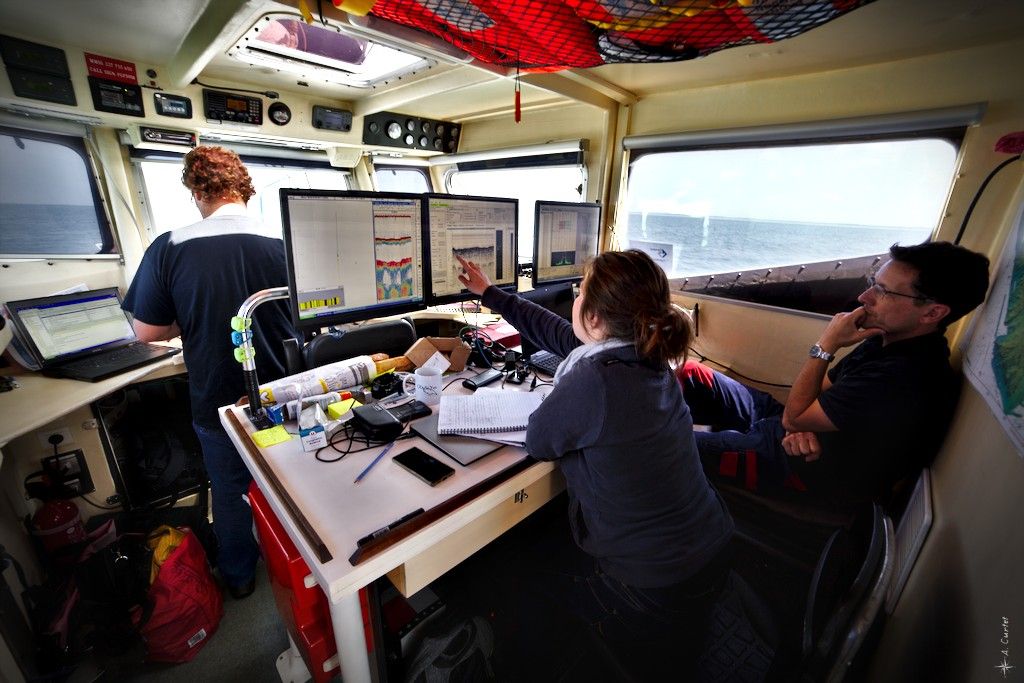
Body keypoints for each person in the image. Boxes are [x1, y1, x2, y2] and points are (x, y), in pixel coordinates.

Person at [456, 250, 734, 678]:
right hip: (710, 558)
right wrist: (491, 294)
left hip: (647, 589)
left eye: (581, 290)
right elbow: (558, 334)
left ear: (597, 321)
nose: (576, 296)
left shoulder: (595, 377)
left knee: (508, 571)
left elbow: (539, 439)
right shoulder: (650, 355)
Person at [678, 241, 990, 508]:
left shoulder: (906, 377)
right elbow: (805, 405)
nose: (865, 297)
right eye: (873, 282)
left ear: (933, 313)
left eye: (883, 291)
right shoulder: (885, 339)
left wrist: (826, 344)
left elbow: (797, 415)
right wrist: (799, 424)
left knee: (664, 448)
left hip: (799, 470)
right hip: (793, 435)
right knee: (691, 372)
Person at [123, 146, 298, 599]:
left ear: (198, 192)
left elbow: (147, 331)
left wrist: (193, 315)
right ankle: (301, 567)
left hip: (219, 399)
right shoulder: (285, 244)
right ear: (244, 191)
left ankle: (239, 577)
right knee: (294, 483)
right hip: (287, 394)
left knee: (231, 489)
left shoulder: (171, 246)